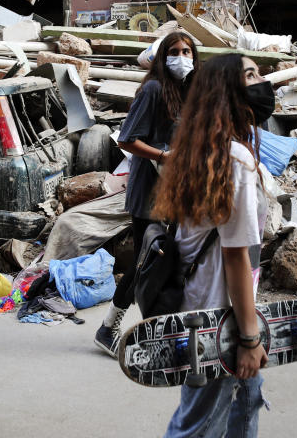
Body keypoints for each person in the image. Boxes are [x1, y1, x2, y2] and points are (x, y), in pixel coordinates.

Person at [151, 53, 277, 437]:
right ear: (229, 92)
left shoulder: (201, 150)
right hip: (219, 317)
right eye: (251, 75)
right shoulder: (235, 159)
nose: (263, 81)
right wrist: (249, 337)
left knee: (243, 407)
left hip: (208, 306)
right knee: (199, 424)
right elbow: (237, 256)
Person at [94, 30, 199, 357]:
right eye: (175, 51)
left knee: (167, 261)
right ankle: (111, 327)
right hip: (149, 191)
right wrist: (165, 157)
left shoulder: (185, 91)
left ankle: (161, 330)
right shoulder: (153, 90)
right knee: (146, 263)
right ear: (162, 57)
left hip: (175, 189)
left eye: (187, 51)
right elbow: (126, 139)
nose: (182, 58)